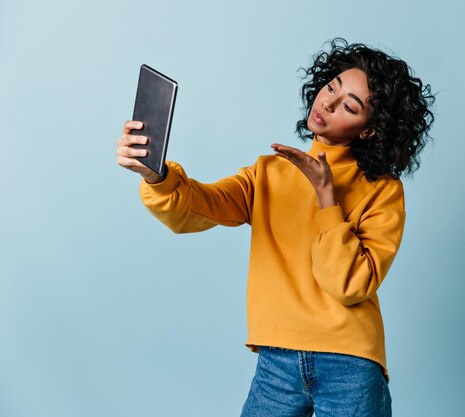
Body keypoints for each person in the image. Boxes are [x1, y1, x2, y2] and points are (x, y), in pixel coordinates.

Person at [116, 38, 434, 417]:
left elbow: (349, 285)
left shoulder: (383, 190)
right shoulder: (268, 172)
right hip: (275, 363)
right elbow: (198, 208)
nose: (328, 103)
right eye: (331, 87)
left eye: (349, 105)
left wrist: (326, 197)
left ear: (369, 130)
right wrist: (157, 176)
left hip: (350, 364)